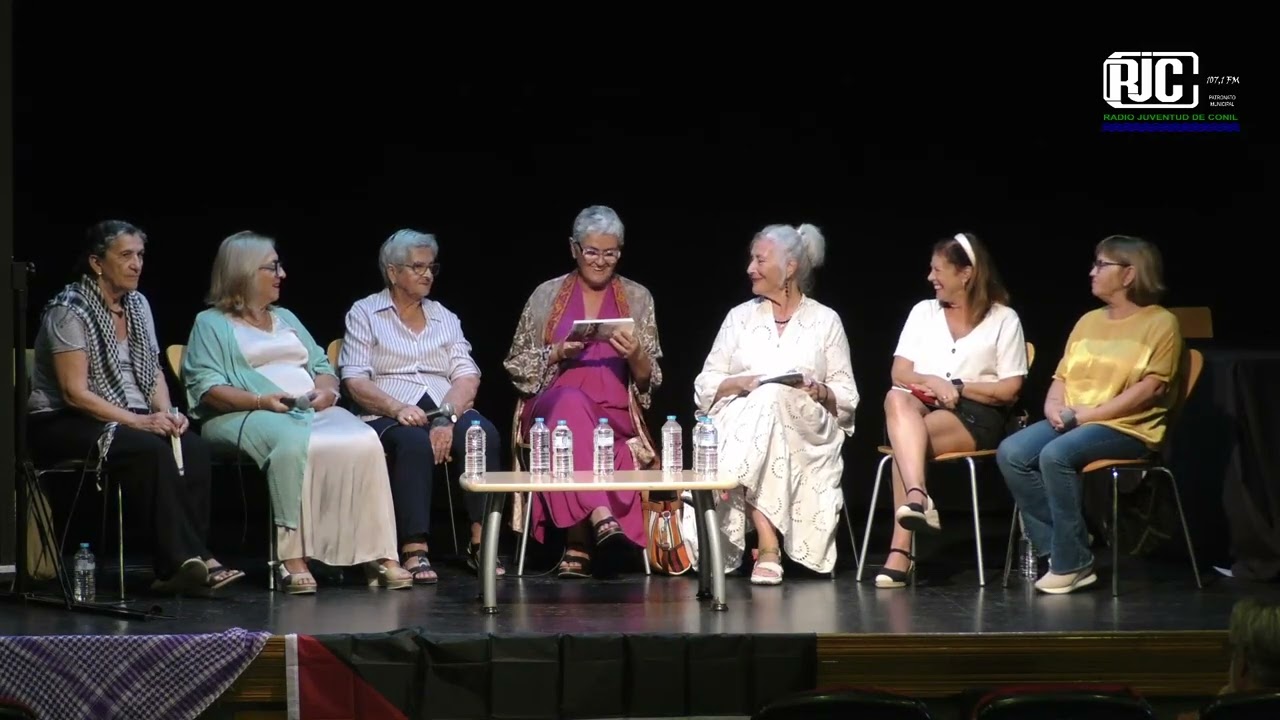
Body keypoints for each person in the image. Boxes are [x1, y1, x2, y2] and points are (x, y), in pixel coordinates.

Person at [181, 231, 412, 594]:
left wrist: (327, 391)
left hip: (306, 408)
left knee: (365, 439)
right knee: (295, 442)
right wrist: (261, 401)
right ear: (244, 271)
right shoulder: (210, 323)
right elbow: (207, 388)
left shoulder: (285, 317)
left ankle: (378, 553)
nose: (282, 274)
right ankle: (293, 557)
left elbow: (321, 364)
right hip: (244, 413)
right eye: (272, 267)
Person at [26, 220, 243, 595]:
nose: (136, 264)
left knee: (192, 446)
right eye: (126, 255)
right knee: (147, 448)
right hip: (63, 420)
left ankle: (182, 567)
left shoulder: (138, 305)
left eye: (140, 255)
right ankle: (188, 560)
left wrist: (167, 414)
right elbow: (74, 393)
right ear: (97, 262)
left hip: (128, 413)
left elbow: (153, 370)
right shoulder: (69, 310)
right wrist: (139, 422)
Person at [997, 235, 1182, 595]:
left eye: (1101, 264)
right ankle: (1066, 551)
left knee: (1055, 455)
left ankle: (1071, 562)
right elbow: (1062, 376)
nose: (1092, 272)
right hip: (1075, 420)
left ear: (1129, 274)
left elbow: (1152, 388)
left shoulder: (1161, 323)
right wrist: (1052, 406)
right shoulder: (1088, 321)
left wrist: (1090, 415)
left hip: (1127, 426)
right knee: (1012, 452)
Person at [693, 223, 859, 585]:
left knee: (772, 398)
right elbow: (705, 384)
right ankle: (767, 543)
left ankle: (726, 488)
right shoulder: (739, 318)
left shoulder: (825, 321)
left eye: (759, 260)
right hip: (743, 418)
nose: (750, 268)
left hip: (805, 427)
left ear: (790, 267)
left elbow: (847, 394)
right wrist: (740, 382)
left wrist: (820, 391)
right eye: (751, 260)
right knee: (764, 401)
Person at [503, 205, 664, 578]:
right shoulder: (545, 295)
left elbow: (649, 381)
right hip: (550, 411)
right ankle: (599, 520)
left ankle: (579, 544)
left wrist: (636, 354)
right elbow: (515, 365)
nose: (600, 261)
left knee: (592, 430)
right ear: (574, 248)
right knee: (570, 404)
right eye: (591, 252)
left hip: (613, 417)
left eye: (610, 253)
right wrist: (558, 352)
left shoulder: (638, 298)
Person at [339, 229, 503, 583]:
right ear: (392, 271)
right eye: (418, 267)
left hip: (443, 406)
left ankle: (481, 542)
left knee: (482, 434)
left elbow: (467, 375)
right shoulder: (365, 312)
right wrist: (396, 407)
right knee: (413, 442)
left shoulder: (445, 316)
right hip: (387, 411)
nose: (428, 274)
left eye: (431, 267)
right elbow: (354, 379)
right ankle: (414, 546)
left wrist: (447, 417)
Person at [874, 232, 1028, 589]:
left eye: (938, 270)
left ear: (966, 273)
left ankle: (900, 550)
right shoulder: (923, 312)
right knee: (895, 399)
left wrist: (958, 387)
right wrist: (933, 381)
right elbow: (900, 372)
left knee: (905, 443)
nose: (930, 277)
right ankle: (917, 496)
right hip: (918, 404)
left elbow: (1010, 388)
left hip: (976, 414)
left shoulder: (1004, 319)